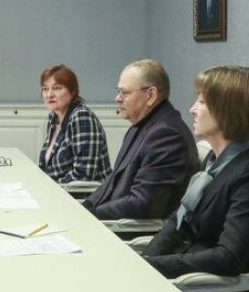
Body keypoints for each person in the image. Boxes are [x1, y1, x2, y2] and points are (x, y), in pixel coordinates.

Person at [141, 66, 249, 292]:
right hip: (188, 283)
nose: (192, 109)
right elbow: (178, 223)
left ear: (227, 110)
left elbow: (228, 257)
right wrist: (145, 260)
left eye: (202, 102)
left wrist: (156, 266)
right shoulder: (216, 161)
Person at [82, 59, 199, 220]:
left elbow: (142, 205)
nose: (117, 98)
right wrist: (83, 209)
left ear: (151, 95)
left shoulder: (166, 135)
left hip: (127, 231)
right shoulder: (139, 126)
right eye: (118, 91)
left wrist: (90, 216)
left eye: (125, 92)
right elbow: (112, 182)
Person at [38, 64, 111, 184]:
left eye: (57, 88)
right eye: (45, 89)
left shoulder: (81, 116)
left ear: (72, 92)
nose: (49, 94)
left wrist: (50, 187)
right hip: (59, 189)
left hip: (83, 193)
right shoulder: (53, 117)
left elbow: (84, 174)